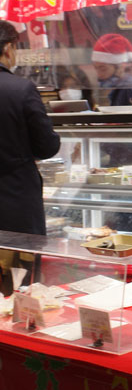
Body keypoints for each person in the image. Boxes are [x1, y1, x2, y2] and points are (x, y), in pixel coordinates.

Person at [0, 21, 61, 234]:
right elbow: (47, 146)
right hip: (15, 197)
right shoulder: (21, 89)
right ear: (8, 48)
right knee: (19, 255)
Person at [91, 33, 132, 107]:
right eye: (96, 68)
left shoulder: (128, 88)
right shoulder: (113, 87)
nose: (99, 74)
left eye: (103, 69)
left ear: (120, 66)